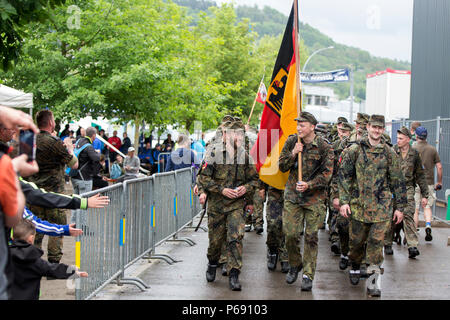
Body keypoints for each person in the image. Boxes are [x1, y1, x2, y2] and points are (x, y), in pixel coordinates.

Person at [338, 115, 407, 297]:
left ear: (383, 130)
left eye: (380, 128)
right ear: (367, 127)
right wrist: (344, 201)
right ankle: (354, 264)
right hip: (359, 206)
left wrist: (400, 207)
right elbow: (344, 176)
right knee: (356, 243)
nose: (376, 131)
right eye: (374, 127)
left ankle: (373, 281)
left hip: (381, 208)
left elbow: (398, 181)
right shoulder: (354, 150)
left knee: (377, 244)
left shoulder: (389, 153)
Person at [197, 121, 258, 291]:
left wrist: (246, 189)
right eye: (233, 133)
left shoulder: (245, 157)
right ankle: (212, 262)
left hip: (236, 205)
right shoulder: (213, 153)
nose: (237, 137)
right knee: (216, 241)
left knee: (235, 238)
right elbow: (204, 178)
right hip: (217, 205)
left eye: (239, 134)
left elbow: (254, 179)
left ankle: (234, 274)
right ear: (225, 135)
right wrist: (221, 190)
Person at [278, 112, 334, 291]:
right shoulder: (292, 141)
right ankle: (295, 263)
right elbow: (282, 166)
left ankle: (308, 274)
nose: (298, 128)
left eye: (302, 125)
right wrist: (294, 153)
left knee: (311, 237)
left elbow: (327, 174)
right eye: (298, 124)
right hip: (293, 197)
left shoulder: (325, 146)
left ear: (312, 126)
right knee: (290, 233)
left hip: (314, 199)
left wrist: (309, 185)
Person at [28, 109, 79, 265]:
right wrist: (69, 147)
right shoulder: (55, 142)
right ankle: (53, 263)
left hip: (33, 193)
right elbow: (74, 164)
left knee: (34, 228)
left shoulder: (29, 140)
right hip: (54, 196)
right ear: (51, 122)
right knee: (56, 230)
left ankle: (32, 261)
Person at [8, 219, 88, 300]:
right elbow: (52, 269)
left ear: (12, 237)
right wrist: (73, 272)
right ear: (31, 239)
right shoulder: (34, 260)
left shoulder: (5, 256)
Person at [386, 127, 429, 258]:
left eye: (401, 138)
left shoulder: (414, 154)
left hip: (408, 188)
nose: (398, 141)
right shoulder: (392, 151)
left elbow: (420, 175)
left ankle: (412, 245)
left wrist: (425, 194)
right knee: (390, 216)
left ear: (408, 140)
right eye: (397, 138)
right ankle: (387, 243)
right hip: (392, 189)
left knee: (409, 214)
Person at [413, 126, 443, 241]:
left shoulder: (413, 148)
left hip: (415, 182)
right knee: (427, 206)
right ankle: (428, 225)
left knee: (415, 208)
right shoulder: (432, 149)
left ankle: (415, 231)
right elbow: (439, 167)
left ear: (416, 135)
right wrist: (439, 182)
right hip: (429, 182)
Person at [329, 121, 353, 262]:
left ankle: (349, 251)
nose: (341, 133)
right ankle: (336, 239)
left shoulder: (356, 147)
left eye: (345, 131)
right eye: (340, 131)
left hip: (354, 191)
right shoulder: (337, 146)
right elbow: (334, 171)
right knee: (336, 213)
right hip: (338, 185)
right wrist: (334, 193)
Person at [70, 127, 101, 222]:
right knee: (84, 202)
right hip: (84, 179)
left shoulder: (79, 142)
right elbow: (96, 159)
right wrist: (97, 153)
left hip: (74, 176)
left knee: (75, 201)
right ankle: (82, 225)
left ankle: (74, 223)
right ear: (94, 135)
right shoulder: (88, 146)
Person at [265, 186, 289, 273]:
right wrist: (261, 187)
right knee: (273, 224)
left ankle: (285, 256)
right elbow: (264, 172)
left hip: (292, 189)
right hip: (274, 189)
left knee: (287, 225)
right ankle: (272, 250)